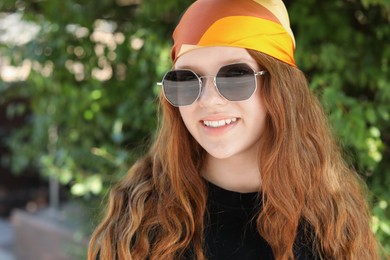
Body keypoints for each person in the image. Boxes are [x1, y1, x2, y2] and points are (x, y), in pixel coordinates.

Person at [88, 0, 380, 259]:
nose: (209, 100)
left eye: (235, 76)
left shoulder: (331, 219)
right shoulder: (139, 219)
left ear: (280, 88)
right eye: (187, 80)